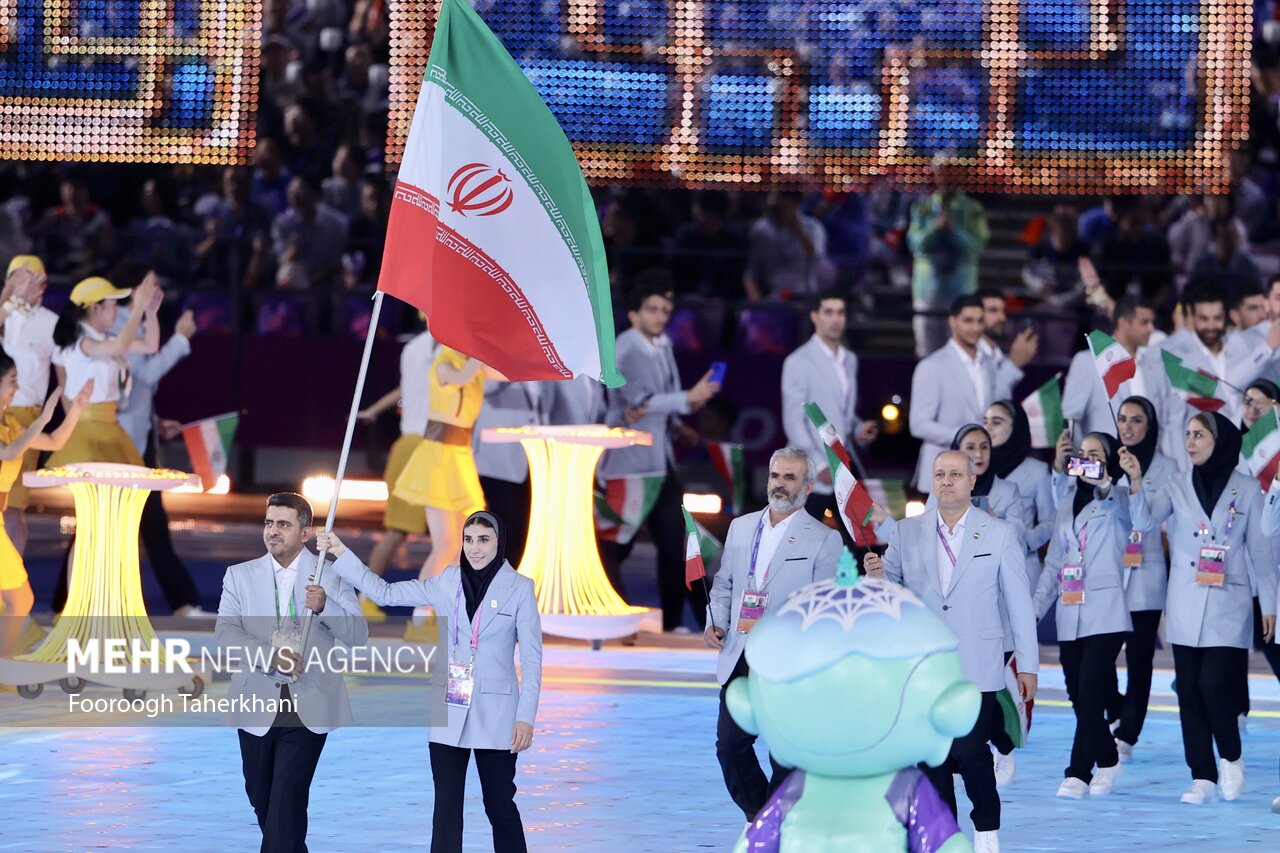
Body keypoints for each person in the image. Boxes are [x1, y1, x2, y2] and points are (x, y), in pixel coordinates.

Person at [317, 512, 541, 853]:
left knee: (499, 805)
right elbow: (386, 592)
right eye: (468, 540)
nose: (475, 548)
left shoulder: (520, 588)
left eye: (484, 540)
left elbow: (532, 659)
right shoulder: (446, 581)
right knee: (446, 807)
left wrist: (525, 716)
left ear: (500, 543)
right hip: (449, 707)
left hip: (498, 714)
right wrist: (341, 552)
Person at [866, 449, 1038, 853]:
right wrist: (877, 575)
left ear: (972, 481)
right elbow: (893, 589)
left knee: (969, 750)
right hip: (925, 665)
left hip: (978, 663)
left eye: (955, 474)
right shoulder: (906, 532)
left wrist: (1027, 665)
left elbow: (1019, 604)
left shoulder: (999, 533)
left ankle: (987, 830)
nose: (946, 481)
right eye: (940, 474)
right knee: (933, 757)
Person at [1121, 412, 1277, 804]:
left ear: (1220, 440)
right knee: (1188, 690)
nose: (1191, 442)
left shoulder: (1247, 490)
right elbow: (1142, 519)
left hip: (1230, 600)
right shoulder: (1175, 485)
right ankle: (1202, 776)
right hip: (1186, 601)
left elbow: (1260, 552)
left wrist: (1269, 604)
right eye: (1187, 434)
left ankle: (1231, 757)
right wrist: (1136, 480)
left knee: (1213, 686)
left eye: (1199, 435)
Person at [214, 493, 368, 853]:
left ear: (305, 532)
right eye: (269, 523)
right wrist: (271, 656)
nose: (273, 531)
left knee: (287, 802)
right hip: (255, 701)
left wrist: (326, 606)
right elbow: (225, 634)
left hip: (308, 702)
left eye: (283, 524)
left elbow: (358, 635)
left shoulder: (329, 575)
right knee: (262, 797)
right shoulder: (239, 576)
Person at [704, 447, 842, 820]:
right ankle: (762, 816)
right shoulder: (741, 526)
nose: (780, 484)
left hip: (789, 661)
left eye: (790, 477)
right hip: (740, 652)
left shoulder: (824, 539)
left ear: (809, 486)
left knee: (786, 754)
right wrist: (714, 622)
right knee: (730, 746)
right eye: (775, 476)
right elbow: (724, 585)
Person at [597, 276, 719, 631]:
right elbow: (640, 402)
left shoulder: (661, 345)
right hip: (631, 465)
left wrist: (678, 422)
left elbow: (655, 400)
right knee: (617, 543)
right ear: (633, 313)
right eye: (653, 309)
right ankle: (607, 607)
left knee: (676, 545)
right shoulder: (627, 348)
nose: (661, 316)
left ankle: (674, 622)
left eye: (665, 310)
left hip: (658, 462)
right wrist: (687, 399)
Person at [1034, 432, 1131, 799]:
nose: (1087, 460)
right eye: (1083, 454)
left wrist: (1106, 483)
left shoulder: (1118, 497)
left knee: (1090, 689)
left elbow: (1131, 517)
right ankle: (1103, 755)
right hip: (1069, 609)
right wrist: (1034, 609)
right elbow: (1055, 563)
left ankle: (1082, 769)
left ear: (1109, 461)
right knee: (1078, 693)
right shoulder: (1066, 501)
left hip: (1106, 611)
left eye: (1096, 454)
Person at [113, 273, 210, 618]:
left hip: (137, 442)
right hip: (122, 446)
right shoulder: (121, 324)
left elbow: (135, 390)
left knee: (144, 527)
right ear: (133, 289)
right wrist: (181, 340)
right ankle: (183, 603)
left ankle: (182, 602)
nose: (159, 290)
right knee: (117, 527)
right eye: (152, 284)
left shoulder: (135, 321)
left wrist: (156, 421)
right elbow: (144, 376)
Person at [391, 345, 499, 638]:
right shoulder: (443, 363)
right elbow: (460, 377)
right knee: (446, 543)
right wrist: (480, 354)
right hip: (437, 458)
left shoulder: (471, 363)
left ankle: (445, 616)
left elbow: (501, 374)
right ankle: (418, 619)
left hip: (460, 457)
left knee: (464, 543)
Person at [0, 356, 91, 658]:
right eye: (12, 380)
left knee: (19, 600)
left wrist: (76, 408)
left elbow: (54, 440)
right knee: (19, 600)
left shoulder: (11, 424)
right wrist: (43, 415)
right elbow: (10, 451)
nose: (17, 387)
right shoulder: (10, 432)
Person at [354, 321, 436, 623]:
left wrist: (375, 409)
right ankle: (370, 600)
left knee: (419, 532)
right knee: (420, 532)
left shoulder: (412, 347)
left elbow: (407, 388)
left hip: (411, 446)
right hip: (425, 447)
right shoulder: (445, 348)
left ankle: (370, 599)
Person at [780, 290, 878, 543]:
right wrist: (818, 464)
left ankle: (854, 582)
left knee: (860, 542)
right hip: (814, 468)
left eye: (841, 313)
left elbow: (842, 413)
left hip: (844, 463)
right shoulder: (798, 361)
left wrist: (857, 429)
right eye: (829, 312)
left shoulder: (849, 359)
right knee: (801, 541)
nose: (836, 319)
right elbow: (794, 419)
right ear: (814, 316)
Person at [1107, 396, 1174, 761]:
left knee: (1139, 660)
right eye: (1122, 419)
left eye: (1137, 420)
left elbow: (1146, 523)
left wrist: (1135, 480)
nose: (1128, 427)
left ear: (1150, 426)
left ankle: (1128, 732)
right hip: (1108, 574)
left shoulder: (1167, 469)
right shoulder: (1106, 459)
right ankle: (1117, 710)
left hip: (1145, 575)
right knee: (1097, 658)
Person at [48, 273, 160, 467]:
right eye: (113, 305)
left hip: (109, 423)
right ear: (95, 307)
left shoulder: (104, 340)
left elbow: (150, 345)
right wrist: (137, 309)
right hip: (87, 425)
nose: (116, 310)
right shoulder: (83, 343)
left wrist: (150, 313)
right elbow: (119, 346)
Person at [0, 256, 57, 554]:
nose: (34, 285)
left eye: (39, 279)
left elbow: (64, 372)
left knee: (12, 505)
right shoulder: (4, 314)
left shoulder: (50, 322)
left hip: (24, 418)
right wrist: (9, 299)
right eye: (24, 278)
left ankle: (10, 580)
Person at [907, 158, 989, 357]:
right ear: (935, 174)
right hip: (927, 293)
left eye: (952, 172)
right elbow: (915, 244)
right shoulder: (922, 208)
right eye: (943, 171)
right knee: (927, 353)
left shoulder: (972, 209)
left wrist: (955, 231)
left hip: (961, 291)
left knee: (961, 353)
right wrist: (934, 230)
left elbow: (976, 247)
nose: (947, 177)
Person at [907, 295, 988, 494]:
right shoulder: (932, 366)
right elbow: (918, 424)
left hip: (977, 477)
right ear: (953, 321)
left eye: (979, 321)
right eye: (968, 320)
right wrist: (962, 437)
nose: (975, 328)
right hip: (940, 476)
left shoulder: (988, 365)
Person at [1061, 297, 1158, 439]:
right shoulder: (1088, 362)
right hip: (1102, 458)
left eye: (1152, 322)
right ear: (1123, 323)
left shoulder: (1154, 365)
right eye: (1144, 322)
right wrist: (1083, 460)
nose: (1151, 329)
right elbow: (1070, 419)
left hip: (1146, 460)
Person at [472, 381, 543, 568]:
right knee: (500, 532)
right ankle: (489, 589)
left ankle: (509, 588)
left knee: (520, 533)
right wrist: (515, 360)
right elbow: (486, 387)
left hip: (526, 460)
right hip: (496, 461)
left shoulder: (537, 364)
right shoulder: (492, 359)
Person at [976, 289, 1038, 401]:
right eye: (993, 310)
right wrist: (1014, 363)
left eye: (1003, 311)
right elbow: (984, 405)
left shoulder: (1000, 357)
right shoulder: (970, 357)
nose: (1002, 318)